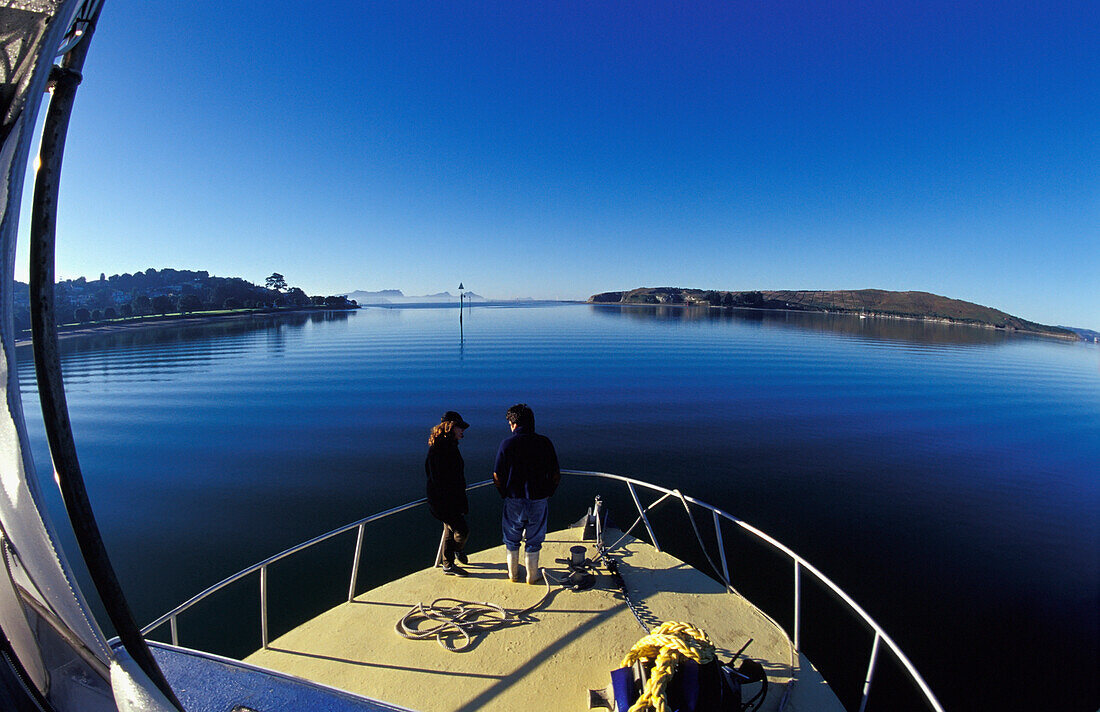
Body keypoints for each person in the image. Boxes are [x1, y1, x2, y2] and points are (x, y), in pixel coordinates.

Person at [492, 403, 560, 584]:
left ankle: (513, 575)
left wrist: (503, 493)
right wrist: (549, 493)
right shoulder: (545, 442)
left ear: (514, 424)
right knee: (534, 539)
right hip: (539, 499)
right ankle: (532, 576)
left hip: (513, 499)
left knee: (512, 539)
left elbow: (497, 475)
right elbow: (555, 474)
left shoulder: (506, 444)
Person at [425, 411, 471, 576]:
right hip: (444, 502)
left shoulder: (450, 445)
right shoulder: (438, 449)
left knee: (449, 531)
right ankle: (457, 551)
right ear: (451, 427)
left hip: (452, 500)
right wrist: (450, 501)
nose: (462, 431)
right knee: (462, 531)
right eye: (460, 428)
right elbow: (437, 479)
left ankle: (448, 564)